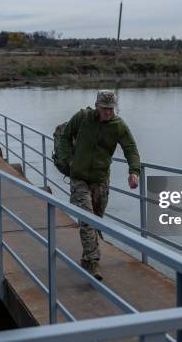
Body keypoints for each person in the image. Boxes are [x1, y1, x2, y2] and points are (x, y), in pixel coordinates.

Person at [59, 90, 140, 280]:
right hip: (79, 177)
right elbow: (65, 136)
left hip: (101, 179)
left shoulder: (118, 126)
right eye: (104, 109)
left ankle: (89, 254)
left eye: (111, 109)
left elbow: (131, 148)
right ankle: (93, 262)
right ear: (96, 106)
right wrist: (69, 160)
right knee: (88, 219)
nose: (108, 113)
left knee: (96, 218)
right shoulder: (83, 117)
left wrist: (134, 172)